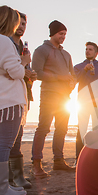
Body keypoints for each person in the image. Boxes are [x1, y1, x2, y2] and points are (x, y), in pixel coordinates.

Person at [0, 11, 36, 189]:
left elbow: (21, 70)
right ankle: (4, 183)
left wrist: (30, 73)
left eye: (24, 24)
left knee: (14, 138)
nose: (21, 27)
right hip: (7, 96)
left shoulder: (19, 45)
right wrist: (22, 65)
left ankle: (13, 178)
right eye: (18, 23)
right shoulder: (3, 41)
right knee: (7, 140)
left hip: (21, 94)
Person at [31, 20, 76, 177]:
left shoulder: (66, 54)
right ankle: (37, 164)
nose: (63, 37)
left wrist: (71, 84)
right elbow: (37, 73)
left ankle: (58, 162)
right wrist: (60, 78)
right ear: (52, 34)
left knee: (62, 129)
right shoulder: (41, 50)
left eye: (65, 34)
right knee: (43, 128)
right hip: (49, 95)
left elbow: (72, 76)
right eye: (60, 34)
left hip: (65, 98)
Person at [74, 42, 98, 160]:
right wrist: (84, 70)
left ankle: (96, 159)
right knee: (81, 130)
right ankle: (78, 159)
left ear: (96, 53)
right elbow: (73, 81)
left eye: (90, 49)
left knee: (97, 130)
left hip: (97, 104)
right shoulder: (78, 67)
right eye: (86, 49)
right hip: (83, 104)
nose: (87, 51)